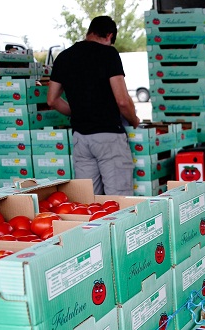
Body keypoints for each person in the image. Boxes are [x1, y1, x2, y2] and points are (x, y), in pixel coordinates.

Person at [47, 15, 140, 195]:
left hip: (81, 139)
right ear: (109, 36)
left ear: (90, 32)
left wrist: (79, 112)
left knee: (90, 200)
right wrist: (134, 119)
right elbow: (122, 100)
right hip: (108, 136)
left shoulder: (64, 57)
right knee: (119, 200)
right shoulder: (108, 54)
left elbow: (52, 100)